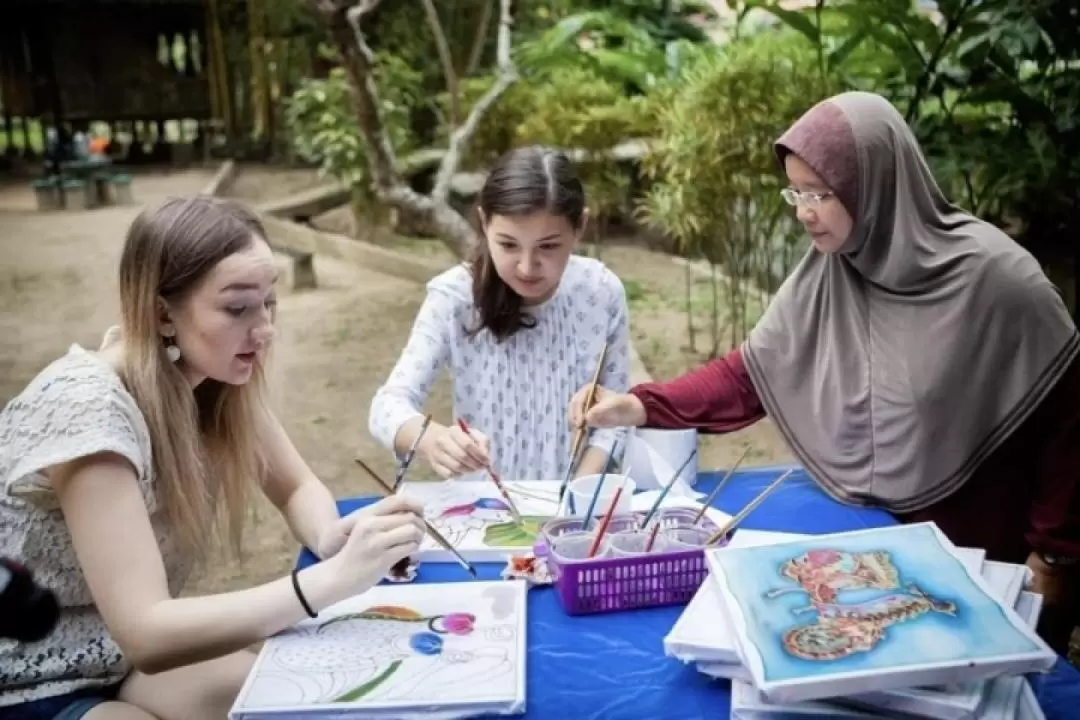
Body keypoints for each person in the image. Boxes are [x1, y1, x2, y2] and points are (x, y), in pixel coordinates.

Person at [570, 91, 1080, 653]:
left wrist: (1054, 553)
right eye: (796, 191)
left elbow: (1071, 427)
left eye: (823, 193)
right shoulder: (831, 270)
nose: (804, 211)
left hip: (984, 561)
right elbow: (749, 374)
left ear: (879, 185)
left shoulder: (1000, 282)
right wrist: (638, 405)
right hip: (881, 559)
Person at [0, 196, 425, 719]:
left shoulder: (212, 379)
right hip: (26, 676)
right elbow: (148, 632)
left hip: (117, 662)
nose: (264, 328)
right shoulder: (88, 411)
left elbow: (294, 486)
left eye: (269, 301)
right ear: (162, 313)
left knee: (300, 696)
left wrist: (329, 536)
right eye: (237, 307)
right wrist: (330, 581)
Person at [369, 145, 630, 482]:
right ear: (484, 222)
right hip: (481, 515)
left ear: (580, 226)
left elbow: (616, 419)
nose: (527, 266)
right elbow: (387, 406)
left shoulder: (601, 292)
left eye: (548, 246)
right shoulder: (454, 297)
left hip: (570, 516)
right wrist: (433, 440)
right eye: (508, 244)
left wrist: (574, 498)